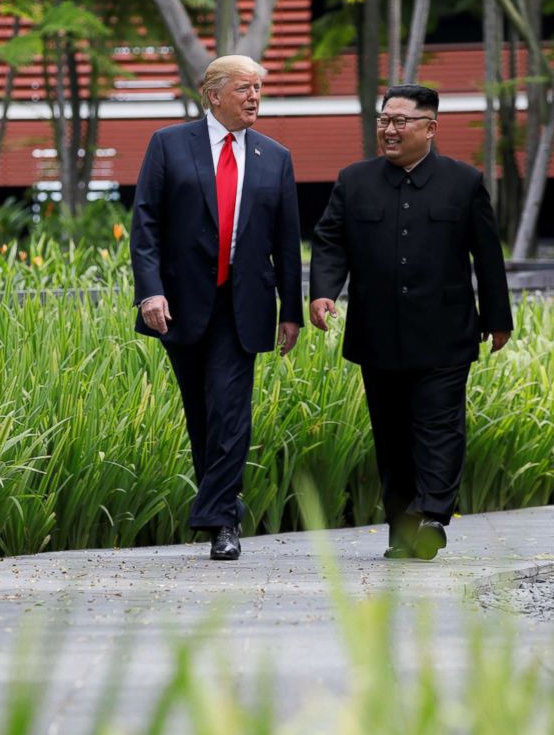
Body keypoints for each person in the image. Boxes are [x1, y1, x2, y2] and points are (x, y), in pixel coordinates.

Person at [309, 84, 513, 560]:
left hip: (445, 331)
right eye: (384, 120)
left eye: (401, 121)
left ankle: (432, 515)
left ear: (430, 128)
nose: (390, 130)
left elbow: (487, 256)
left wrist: (497, 318)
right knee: (393, 436)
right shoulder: (354, 180)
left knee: (440, 426)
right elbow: (330, 241)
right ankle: (405, 533)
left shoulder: (463, 182)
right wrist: (322, 292)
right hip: (377, 333)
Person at [130, 55, 304, 560]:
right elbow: (145, 225)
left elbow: (288, 243)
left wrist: (289, 311)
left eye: (258, 89)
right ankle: (222, 510)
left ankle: (220, 518)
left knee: (230, 409)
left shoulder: (276, 156)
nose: (254, 98)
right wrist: (150, 291)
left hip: (242, 303)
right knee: (201, 412)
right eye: (245, 89)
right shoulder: (168, 145)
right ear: (213, 95)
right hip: (180, 303)